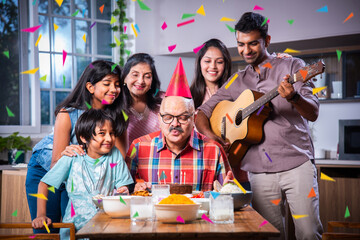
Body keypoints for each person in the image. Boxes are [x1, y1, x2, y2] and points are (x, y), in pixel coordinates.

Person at [196, 12, 323, 240]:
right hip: (258, 172)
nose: (246, 51)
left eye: (253, 43)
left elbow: (313, 112)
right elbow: (202, 114)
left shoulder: (293, 66)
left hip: (297, 165)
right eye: (241, 44)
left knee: (308, 233)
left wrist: (294, 98)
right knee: (269, 235)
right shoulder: (237, 80)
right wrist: (212, 137)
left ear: (267, 40)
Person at [25, 60, 127, 233]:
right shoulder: (68, 114)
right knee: (46, 228)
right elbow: (55, 166)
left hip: (79, 174)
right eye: (107, 83)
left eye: (117, 84)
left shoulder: (117, 117)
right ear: (90, 87)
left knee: (75, 226)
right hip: (48, 168)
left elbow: (117, 158)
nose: (114, 89)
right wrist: (68, 153)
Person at [126, 58, 232, 192]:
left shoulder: (214, 150)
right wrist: (132, 189)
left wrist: (229, 192)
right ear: (159, 118)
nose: (175, 124)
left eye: (182, 118)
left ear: (193, 119)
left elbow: (229, 197)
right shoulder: (138, 147)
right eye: (168, 117)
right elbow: (123, 193)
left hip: (200, 214)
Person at [31, 109, 133, 239]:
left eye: (112, 133)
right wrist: (41, 214)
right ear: (84, 138)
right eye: (102, 133)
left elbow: (123, 187)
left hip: (104, 228)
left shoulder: (115, 155)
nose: (109, 138)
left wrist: (123, 191)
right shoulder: (72, 157)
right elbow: (44, 184)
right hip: (73, 230)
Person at [120, 53, 164, 146]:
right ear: (125, 78)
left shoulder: (164, 99)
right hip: (130, 159)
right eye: (135, 75)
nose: (141, 81)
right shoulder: (117, 106)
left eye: (147, 76)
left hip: (161, 158)